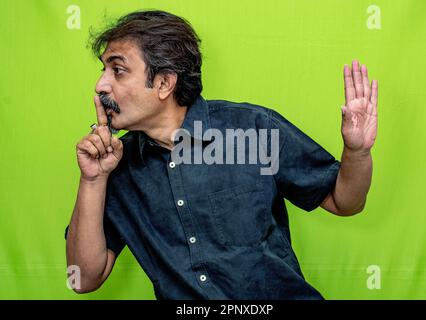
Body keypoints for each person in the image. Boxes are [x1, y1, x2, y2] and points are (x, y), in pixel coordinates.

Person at [65, 10, 378, 299]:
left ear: (164, 83)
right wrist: (92, 179)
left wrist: (357, 151)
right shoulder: (116, 164)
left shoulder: (254, 130)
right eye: (103, 70)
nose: (100, 85)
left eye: (117, 71)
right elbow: (83, 279)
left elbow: (344, 202)